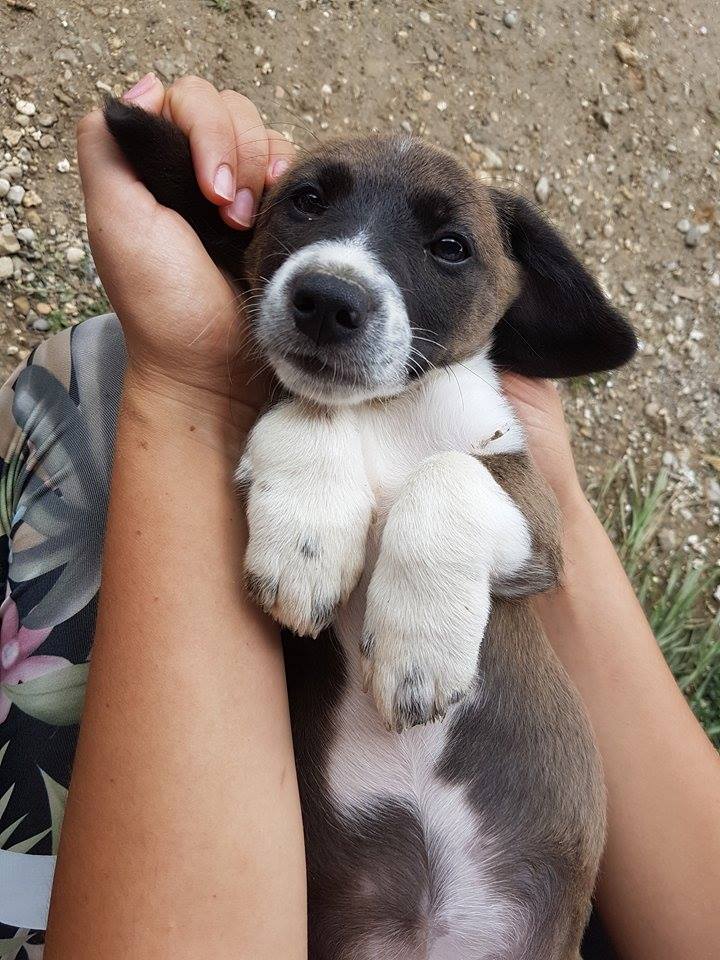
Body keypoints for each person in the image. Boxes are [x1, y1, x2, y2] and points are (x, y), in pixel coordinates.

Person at [0, 75, 717, 960]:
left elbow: (536, 540)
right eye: (307, 204)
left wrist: (452, 506)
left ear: (513, 296)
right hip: (318, 912)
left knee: (89, 373)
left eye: (448, 248)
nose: (344, 278)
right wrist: (223, 393)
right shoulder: (293, 424)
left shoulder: (473, 421)